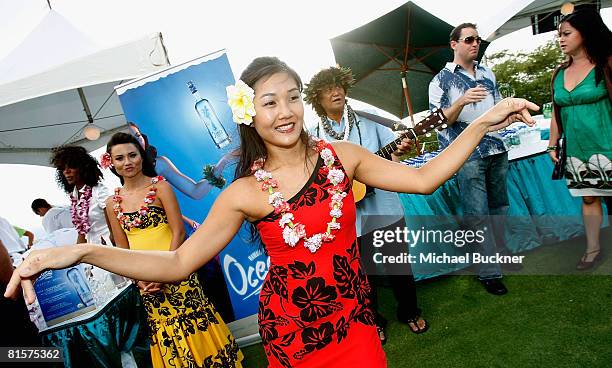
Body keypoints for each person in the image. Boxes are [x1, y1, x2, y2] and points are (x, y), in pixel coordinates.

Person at [6, 56, 537, 368]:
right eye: (269, 101)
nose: (285, 112)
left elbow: (424, 178)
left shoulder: (341, 159)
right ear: (248, 112)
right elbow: (175, 264)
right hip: (293, 330)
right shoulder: (243, 193)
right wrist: (76, 250)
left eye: (292, 97)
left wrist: (481, 122)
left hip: (355, 321)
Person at [303, 66, 428, 343]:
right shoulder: (312, 138)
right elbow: (314, 179)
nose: (335, 91)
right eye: (328, 89)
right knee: (362, 275)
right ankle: (375, 320)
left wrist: (401, 149)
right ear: (317, 98)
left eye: (339, 86)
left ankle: (409, 311)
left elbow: (393, 162)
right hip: (349, 218)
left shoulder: (371, 122)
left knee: (399, 265)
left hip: (385, 209)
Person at [102, 132, 243, 368]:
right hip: (147, 284)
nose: (127, 162)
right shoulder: (111, 203)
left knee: (196, 322)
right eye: (120, 158)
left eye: (132, 155)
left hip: (178, 272)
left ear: (141, 156)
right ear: (111, 163)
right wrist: (140, 282)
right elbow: (121, 249)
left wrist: (167, 272)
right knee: (166, 331)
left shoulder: (161, 188)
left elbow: (178, 232)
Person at [429, 22, 514, 295]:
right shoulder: (440, 81)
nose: (475, 43)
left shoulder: (488, 72)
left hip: (497, 149)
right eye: (468, 39)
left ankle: (499, 256)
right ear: (454, 44)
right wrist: (461, 101)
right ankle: (489, 273)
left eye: (477, 39)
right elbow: (440, 123)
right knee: (477, 215)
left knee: (499, 207)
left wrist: (508, 117)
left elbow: (498, 110)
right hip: (467, 155)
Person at [548, 9, 612, 270]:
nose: (560, 39)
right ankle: (593, 249)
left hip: (608, 145)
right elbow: (556, 110)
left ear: (585, 33)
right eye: (558, 35)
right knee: (588, 199)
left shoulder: (606, 63)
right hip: (578, 150)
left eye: (566, 34)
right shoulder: (559, 73)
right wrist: (553, 143)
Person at [128, 121, 232, 200]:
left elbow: (195, 192)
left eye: (138, 136)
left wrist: (224, 160)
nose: (137, 142)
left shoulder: (159, 164)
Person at [50, 146, 113, 245]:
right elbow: (82, 231)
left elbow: (114, 223)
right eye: (63, 168)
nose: (66, 171)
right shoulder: (74, 195)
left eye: (71, 166)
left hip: (109, 246)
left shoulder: (99, 191)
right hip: (91, 248)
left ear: (83, 168)